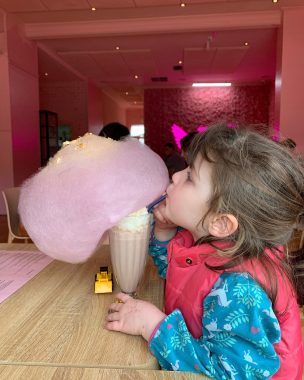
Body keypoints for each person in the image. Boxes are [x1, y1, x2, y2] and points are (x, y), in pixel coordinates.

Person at [105, 125, 304, 379]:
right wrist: (165, 233)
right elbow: (184, 275)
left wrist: (153, 325)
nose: (175, 176)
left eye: (189, 177)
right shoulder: (209, 240)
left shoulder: (239, 290)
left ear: (220, 223)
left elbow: (226, 372)